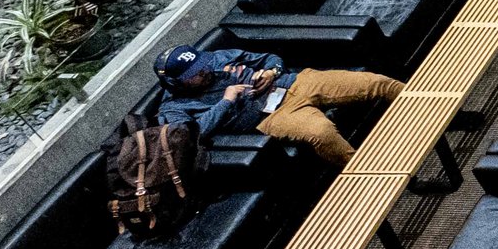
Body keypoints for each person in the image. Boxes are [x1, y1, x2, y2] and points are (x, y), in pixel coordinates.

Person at [153, 45, 403, 166]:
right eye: (195, 73)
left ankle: (433, 110)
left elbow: (269, 58)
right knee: (322, 133)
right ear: (177, 82)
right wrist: (226, 101)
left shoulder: (218, 58)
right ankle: (369, 175)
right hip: (271, 114)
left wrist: (272, 72)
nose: (205, 70)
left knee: (377, 82)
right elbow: (190, 135)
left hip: (296, 82)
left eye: (203, 64)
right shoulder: (174, 108)